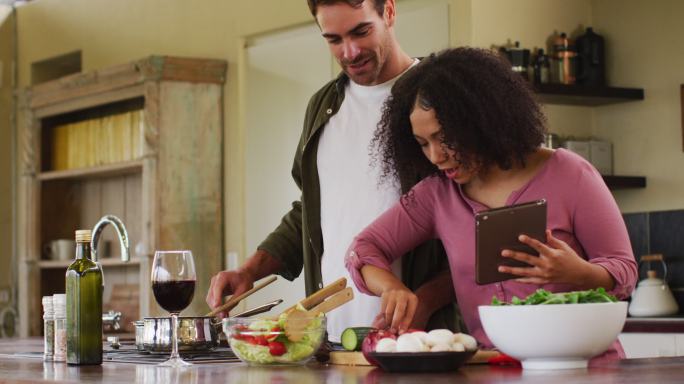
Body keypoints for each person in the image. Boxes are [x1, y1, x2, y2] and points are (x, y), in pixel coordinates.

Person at [345, 47, 637, 361]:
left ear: (482, 120)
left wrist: (578, 272)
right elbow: (364, 249)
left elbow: (624, 271)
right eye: (422, 143)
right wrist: (392, 288)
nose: (435, 156)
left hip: (586, 368)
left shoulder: (572, 174)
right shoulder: (436, 195)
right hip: (493, 369)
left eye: (444, 137)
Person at [206, 0, 460, 343]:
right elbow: (311, 211)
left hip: (423, 339)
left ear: (388, 12)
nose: (350, 51)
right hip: (335, 341)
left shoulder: (440, 97)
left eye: (361, 31)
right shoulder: (323, 107)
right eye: (334, 39)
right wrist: (249, 270)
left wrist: (425, 302)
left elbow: (473, 224)